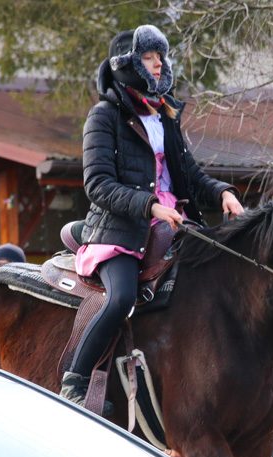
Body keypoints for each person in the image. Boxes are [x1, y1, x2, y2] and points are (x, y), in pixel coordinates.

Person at [60, 25, 245, 415]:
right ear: (127, 64)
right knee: (122, 297)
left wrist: (223, 192)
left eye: (160, 57)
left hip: (171, 222)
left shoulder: (165, 114)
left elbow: (190, 174)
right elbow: (97, 185)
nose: (159, 63)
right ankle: (73, 382)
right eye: (149, 57)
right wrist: (150, 206)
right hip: (119, 229)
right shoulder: (104, 115)